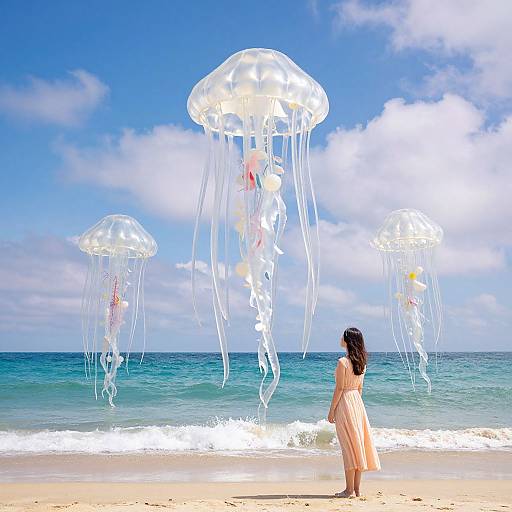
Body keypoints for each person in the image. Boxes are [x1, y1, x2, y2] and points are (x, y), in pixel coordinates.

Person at [328, 327, 381, 497]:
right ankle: (356, 489)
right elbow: (360, 388)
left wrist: (332, 410)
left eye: (343, 335)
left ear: (348, 340)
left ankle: (349, 490)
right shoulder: (362, 363)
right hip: (357, 403)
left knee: (348, 447)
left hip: (345, 402)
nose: (340, 337)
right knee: (357, 444)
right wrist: (356, 406)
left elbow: (340, 388)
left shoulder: (343, 362)